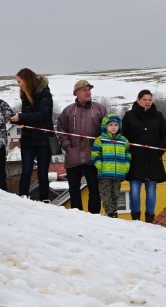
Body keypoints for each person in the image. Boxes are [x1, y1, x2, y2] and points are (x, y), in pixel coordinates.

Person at [56, 80, 106, 213]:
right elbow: (61, 130)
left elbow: (107, 131)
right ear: (76, 93)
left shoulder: (99, 109)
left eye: (89, 89)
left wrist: (98, 148)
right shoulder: (68, 111)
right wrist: (68, 147)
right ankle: (76, 216)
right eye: (84, 90)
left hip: (93, 157)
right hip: (73, 157)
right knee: (74, 190)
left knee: (94, 189)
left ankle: (93, 216)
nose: (88, 92)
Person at [122, 89, 166, 223]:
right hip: (135, 159)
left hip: (153, 160)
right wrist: (130, 151)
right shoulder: (129, 116)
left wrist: (159, 151)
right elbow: (123, 136)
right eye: (145, 99)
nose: (147, 102)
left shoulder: (158, 116)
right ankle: (135, 218)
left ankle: (149, 219)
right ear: (138, 100)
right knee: (134, 190)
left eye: (150, 100)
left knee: (151, 190)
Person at [11, 68, 54, 202]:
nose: (18, 84)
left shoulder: (45, 93)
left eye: (19, 81)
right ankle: (23, 197)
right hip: (28, 139)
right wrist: (16, 120)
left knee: (42, 172)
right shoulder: (24, 94)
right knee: (26, 170)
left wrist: (22, 117)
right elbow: (28, 118)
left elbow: (43, 115)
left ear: (27, 80)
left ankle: (44, 199)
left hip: (43, 140)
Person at [91, 114, 131, 218]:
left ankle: (113, 211)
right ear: (105, 126)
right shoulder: (100, 140)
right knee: (105, 194)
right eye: (110, 125)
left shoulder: (124, 140)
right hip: (105, 173)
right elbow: (95, 154)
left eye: (116, 125)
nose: (113, 127)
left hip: (118, 173)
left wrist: (126, 166)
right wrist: (100, 165)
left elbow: (128, 155)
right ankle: (109, 212)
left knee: (116, 194)